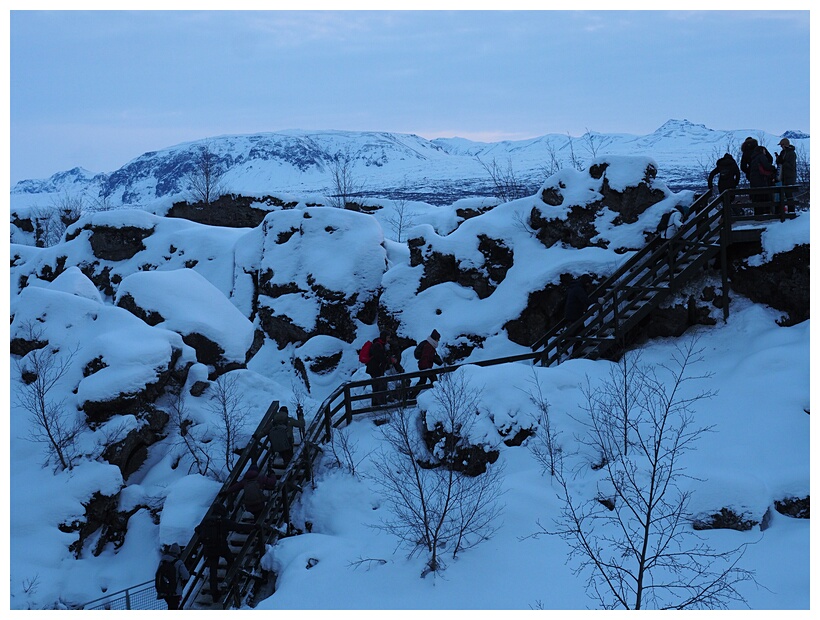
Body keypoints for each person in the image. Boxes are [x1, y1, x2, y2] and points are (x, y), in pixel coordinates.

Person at [195, 504, 252, 603]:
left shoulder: (206, 521)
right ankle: (227, 580)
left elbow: (197, 529)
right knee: (230, 560)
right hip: (221, 547)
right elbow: (238, 527)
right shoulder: (222, 521)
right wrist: (253, 527)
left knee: (213, 570)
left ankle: (214, 593)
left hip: (209, 548)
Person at [155, 542, 190, 610]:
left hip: (165, 591)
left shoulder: (163, 561)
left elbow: (157, 573)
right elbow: (186, 576)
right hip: (175, 592)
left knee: (171, 607)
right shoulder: (179, 563)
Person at [563, 282, 590, 358]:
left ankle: (564, 345)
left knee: (576, 332)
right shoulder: (579, 289)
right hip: (575, 314)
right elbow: (585, 300)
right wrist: (596, 300)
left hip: (571, 314)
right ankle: (575, 352)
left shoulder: (574, 288)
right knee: (581, 332)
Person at [413, 330, 443, 395]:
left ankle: (411, 396)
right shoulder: (429, 346)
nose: (438, 341)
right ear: (435, 339)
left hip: (424, 367)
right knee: (434, 381)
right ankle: (436, 395)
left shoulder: (429, 344)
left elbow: (430, 357)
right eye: (438, 339)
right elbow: (425, 357)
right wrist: (427, 368)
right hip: (426, 367)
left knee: (422, 381)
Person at [748, 145, 777, 212]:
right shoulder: (761, 156)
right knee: (764, 197)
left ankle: (758, 215)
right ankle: (765, 214)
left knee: (757, 199)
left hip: (754, 181)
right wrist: (773, 169)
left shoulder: (753, 158)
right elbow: (766, 166)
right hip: (761, 180)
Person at [365, 331, 390, 406]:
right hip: (375, 369)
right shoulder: (378, 345)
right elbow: (381, 358)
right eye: (388, 337)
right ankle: (380, 403)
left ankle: (376, 403)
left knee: (376, 386)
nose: (389, 339)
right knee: (379, 385)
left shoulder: (379, 344)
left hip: (375, 368)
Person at [775, 137, 797, 213]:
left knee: (789, 195)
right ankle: (785, 211)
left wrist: (783, 162)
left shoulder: (792, 154)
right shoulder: (783, 153)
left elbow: (791, 166)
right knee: (784, 195)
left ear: (785, 145)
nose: (781, 147)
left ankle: (791, 211)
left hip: (789, 176)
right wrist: (778, 159)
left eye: (782, 145)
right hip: (783, 177)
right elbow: (780, 163)